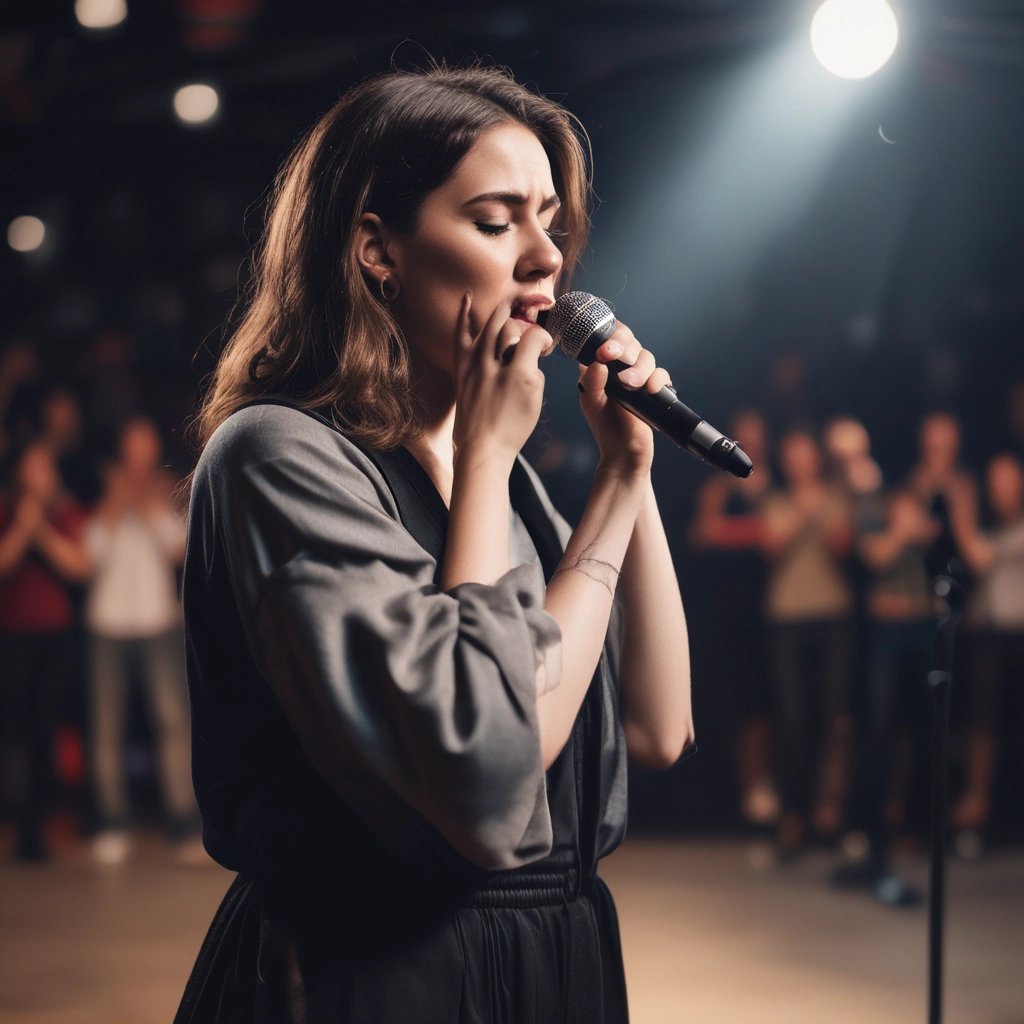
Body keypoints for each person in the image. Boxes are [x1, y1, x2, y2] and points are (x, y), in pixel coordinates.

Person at [174, 64, 693, 1023]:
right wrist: (488, 459)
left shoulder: (514, 483)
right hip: (374, 969)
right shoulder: (282, 457)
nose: (545, 258)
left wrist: (628, 478)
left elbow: (660, 730)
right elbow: (477, 780)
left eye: (550, 221)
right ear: (380, 250)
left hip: (555, 955)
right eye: (497, 222)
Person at [84, 415, 199, 864]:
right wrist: (115, 501)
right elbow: (92, 553)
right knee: (106, 728)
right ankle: (111, 824)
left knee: (173, 724)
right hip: (107, 623)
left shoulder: (165, 488)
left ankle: (184, 825)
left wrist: (150, 505)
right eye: (132, 445)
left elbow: (179, 547)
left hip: (157, 622)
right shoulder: (106, 489)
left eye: (145, 445)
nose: (139, 454)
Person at [761, 428, 855, 856]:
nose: (800, 463)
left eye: (806, 455)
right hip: (787, 616)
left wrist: (824, 508)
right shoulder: (776, 501)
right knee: (792, 718)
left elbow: (843, 547)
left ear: (816, 459)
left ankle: (828, 810)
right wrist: (803, 513)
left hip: (832, 613)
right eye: (792, 456)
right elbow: (772, 548)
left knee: (834, 715)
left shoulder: (836, 496)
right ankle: (792, 815)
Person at [0, 438, 91, 860]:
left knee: (43, 732)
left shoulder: (64, 513)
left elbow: (79, 567)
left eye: (47, 466)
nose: (43, 474)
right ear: (20, 472)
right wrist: (23, 526)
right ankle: (13, 825)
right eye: (35, 466)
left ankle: (35, 833)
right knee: (10, 733)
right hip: (11, 636)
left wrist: (39, 529)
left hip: (54, 638)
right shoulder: (6, 511)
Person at [690, 408, 776, 827]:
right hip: (729, 607)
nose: (749, 447)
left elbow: (782, 535)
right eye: (742, 439)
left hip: (775, 604)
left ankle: (775, 791)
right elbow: (703, 533)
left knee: (776, 705)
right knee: (741, 704)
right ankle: (748, 791)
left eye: (756, 439)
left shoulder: (775, 484)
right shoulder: (718, 487)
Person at [948, 452, 1024, 845]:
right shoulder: (995, 527)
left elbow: (979, 557)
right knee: (983, 722)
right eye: (994, 482)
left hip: (1017, 633)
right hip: (989, 635)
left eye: (1008, 481)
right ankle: (976, 807)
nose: (1001, 490)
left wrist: (963, 510)